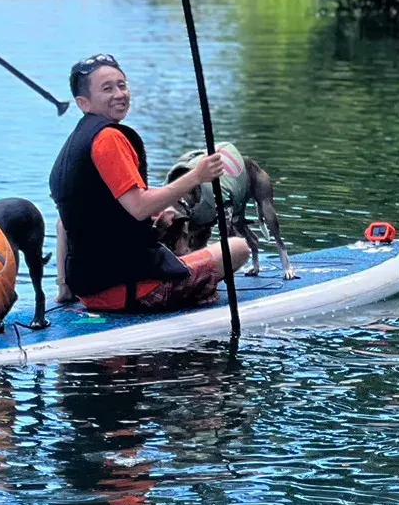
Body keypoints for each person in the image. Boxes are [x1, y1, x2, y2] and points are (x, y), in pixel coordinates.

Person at [49, 53, 250, 312]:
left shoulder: (73, 147)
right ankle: (188, 289)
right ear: (84, 103)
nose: (119, 94)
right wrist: (197, 176)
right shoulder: (109, 139)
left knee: (163, 225)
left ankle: (65, 290)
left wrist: (65, 288)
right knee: (237, 248)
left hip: (88, 291)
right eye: (107, 89)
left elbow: (65, 221)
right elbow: (139, 207)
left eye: (122, 85)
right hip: (133, 292)